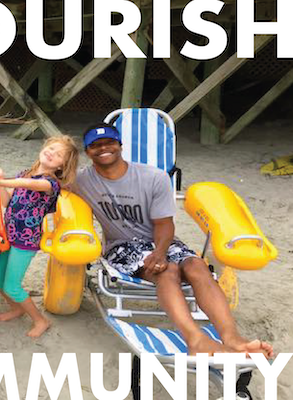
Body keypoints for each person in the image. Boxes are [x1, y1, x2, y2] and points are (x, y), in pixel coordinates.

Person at [74, 123, 273, 356]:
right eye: (95, 146)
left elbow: (164, 224)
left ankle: (233, 339)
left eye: (109, 142)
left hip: (163, 240)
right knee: (166, 271)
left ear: (120, 145)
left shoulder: (153, 177)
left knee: (197, 266)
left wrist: (159, 251)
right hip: (122, 247)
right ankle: (196, 339)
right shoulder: (81, 180)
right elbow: (46, 180)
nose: (103, 148)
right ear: (87, 152)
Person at [0, 136, 79, 338]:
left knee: (12, 285)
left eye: (59, 155)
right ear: (44, 147)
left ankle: (41, 320)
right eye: (51, 148)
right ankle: (17, 308)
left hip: (26, 242)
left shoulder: (49, 184)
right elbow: (8, 203)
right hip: (9, 235)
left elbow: (29, 185)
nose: (52, 153)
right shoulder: (24, 174)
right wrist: (0, 184)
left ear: (61, 166)